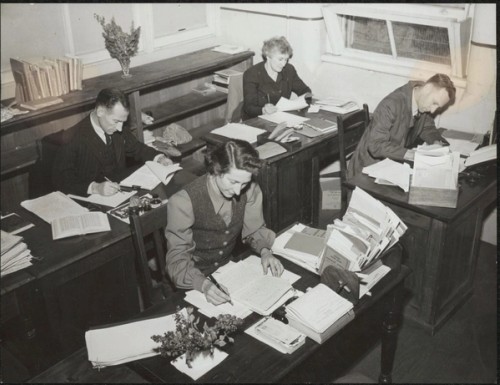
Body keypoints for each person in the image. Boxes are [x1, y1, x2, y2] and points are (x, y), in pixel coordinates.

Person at [165, 139, 283, 305]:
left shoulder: (250, 189)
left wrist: (265, 251)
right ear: (215, 170)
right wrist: (203, 284)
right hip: (192, 281)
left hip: (228, 271)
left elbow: (254, 229)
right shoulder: (183, 202)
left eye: (244, 183)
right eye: (233, 182)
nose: (237, 191)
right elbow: (177, 260)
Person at [52, 88, 173, 196]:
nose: (120, 128)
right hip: (91, 199)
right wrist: (95, 188)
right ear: (100, 111)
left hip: (119, 192)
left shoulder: (116, 127)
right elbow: (62, 181)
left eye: (122, 122)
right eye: (116, 121)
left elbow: (136, 148)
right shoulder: (72, 137)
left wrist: (159, 158)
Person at [347, 73, 456, 178]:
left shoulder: (423, 101)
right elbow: (376, 145)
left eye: (438, 107)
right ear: (427, 88)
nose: (433, 111)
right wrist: (412, 154)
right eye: (434, 103)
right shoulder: (391, 104)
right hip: (367, 169)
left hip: (391, 164)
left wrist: (437, 143)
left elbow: (427, 127)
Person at [242, 36, 312, 120]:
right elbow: (249, 108)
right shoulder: (252, 74)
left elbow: (305, 91)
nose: (283, 64)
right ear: (268, 57)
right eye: (280, 59)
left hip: (281, 118)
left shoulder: (289, 70)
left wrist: (301, 104)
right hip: (256, 120)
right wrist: (263, 110)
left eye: (286, 59)